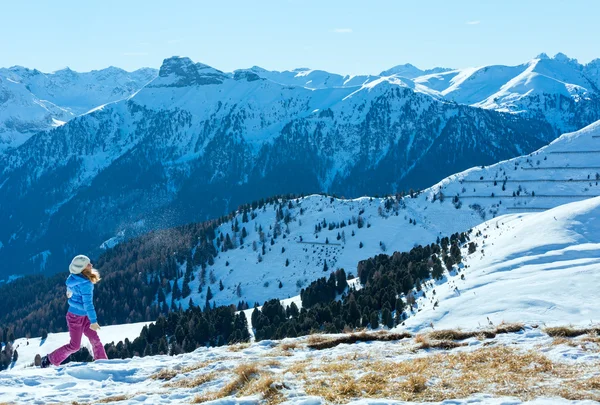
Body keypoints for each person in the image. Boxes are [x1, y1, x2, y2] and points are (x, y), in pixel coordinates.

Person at [35, 255, 107, 368]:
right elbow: (88, 304)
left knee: (95, 339)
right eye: (88, 264)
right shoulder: (86, 284)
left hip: (82, 316)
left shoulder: (73, 278)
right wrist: (93, 321)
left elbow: (71, 290)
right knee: (75, 346)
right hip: (75, 317)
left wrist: (70, 295)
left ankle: (103, 363)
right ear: (82, 269)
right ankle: (49, 359)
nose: (91, 265)